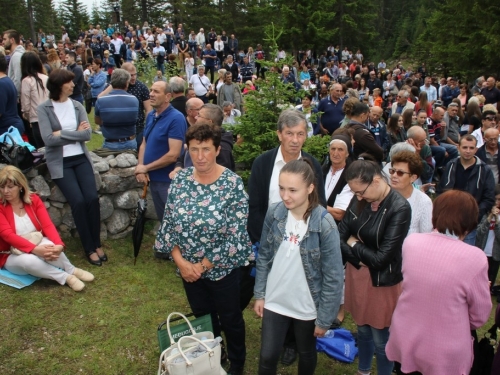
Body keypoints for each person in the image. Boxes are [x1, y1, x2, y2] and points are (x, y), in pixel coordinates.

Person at [154, 123, 251, 375]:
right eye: (194, 149)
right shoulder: (181, 180)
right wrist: (182, 263)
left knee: (230, 318)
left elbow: (236, 235)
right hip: (188, 271)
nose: (200, 156)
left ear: (217, 149)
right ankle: (212, 356)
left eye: (206, 149)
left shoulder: (232, 184)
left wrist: (201, 266)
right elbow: (170, 225)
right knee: (203, 318)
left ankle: (237, 363)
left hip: (222, 270)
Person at [386, 190, 492, 375]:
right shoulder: (475, 258)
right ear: (470, 220)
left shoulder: (412, 242)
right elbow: (479, 316)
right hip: (445, 350)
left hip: (406, 336)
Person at [254, 159, 344, 375]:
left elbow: (333, 276)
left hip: (307, 305)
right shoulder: (275, 213)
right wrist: (260, 293)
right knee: (267, 356)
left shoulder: (324, 224)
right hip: (275, 300)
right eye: (282, 188)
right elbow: (265, 254)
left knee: (306, 352)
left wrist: (324, 318)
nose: (285, 196)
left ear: (310, 188)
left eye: (293, 190)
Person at [338, 158, 412, 375]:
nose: (358, 197)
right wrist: (359, 256)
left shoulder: (399, 208)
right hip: (358, 272)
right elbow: (339, 235)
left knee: (381, 338)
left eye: (361, 192)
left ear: (377, 181)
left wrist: (354, 243)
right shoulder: (359, 196)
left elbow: (382, 259)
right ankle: (363, 371)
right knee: (362, 328)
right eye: (355, 193)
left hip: (382, 282)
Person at [38, 69, 105, 266]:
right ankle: (89, 247)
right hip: (61, 163)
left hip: (80, 158)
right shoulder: (44, 109)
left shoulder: (77, 105)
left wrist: (62, 133)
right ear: (59, 85)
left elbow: (86, 136)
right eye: (70, 82)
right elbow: (48, 139)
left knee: (92, 199)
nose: (74, 84)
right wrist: (73, 132)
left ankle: (97, 243)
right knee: (78, 202)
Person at [0, 166, 95, 291]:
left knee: (51, 246)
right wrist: (34, 249)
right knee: (29, 261)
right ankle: (66, 278)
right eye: (2, 187)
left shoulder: (33, 200)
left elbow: (47, 225)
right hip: (10, 253)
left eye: (10, 187)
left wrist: (59, 244)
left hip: (35, 240)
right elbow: (8, 235)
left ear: (20, 186)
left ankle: (71, 269)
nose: (5, 191)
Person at [134, 81, 187, 225]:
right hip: (153, 179)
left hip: (168, 181)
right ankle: (166, 247)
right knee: (163, 220)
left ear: (167, 96)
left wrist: (146, 167)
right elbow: (144, 143)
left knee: (175, 222)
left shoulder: (176, 118)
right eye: (151, 90)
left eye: (156, 91)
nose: (151, 94)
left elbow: (174, 154)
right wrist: (140, 167)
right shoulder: (151, 115)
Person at [438, 135, 496, 245]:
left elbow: (488, 198)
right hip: (449, 219)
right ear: (458, 148)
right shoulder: (450, 165)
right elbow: (442, 190)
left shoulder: (485, 170)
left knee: (465, 255)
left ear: (476, 149)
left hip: (471, 223)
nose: (468, 151)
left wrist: (474, 215)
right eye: (465, 147)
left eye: (471, 148)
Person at [389, 151, 433, 234]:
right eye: (392, 171)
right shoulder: (383, 195)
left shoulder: (424, 201)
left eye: (400, 173)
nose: (394, 175)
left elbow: (426, 235)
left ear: (413, 178)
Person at [94, 69, 138, 151]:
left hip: (110, 143)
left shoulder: (101, 101)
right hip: (130, 142)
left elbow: (97, 121)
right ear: (126, 83)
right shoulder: (134, 100)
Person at [20, 51, 48, 148]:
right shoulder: (46, 78)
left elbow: (26, 105)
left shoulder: (26, 81)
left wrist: (27, 116)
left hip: (36, 118)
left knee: (40, 147)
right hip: (49, 116)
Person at [476, 184, 500, 292]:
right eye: (495, 199)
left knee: (489, 283)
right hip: (481, 252)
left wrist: (497, 223)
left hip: (495, 255)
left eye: (499, 200)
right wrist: (488, 220)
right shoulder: (483, 213)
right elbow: (479, 233)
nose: (496, 202)